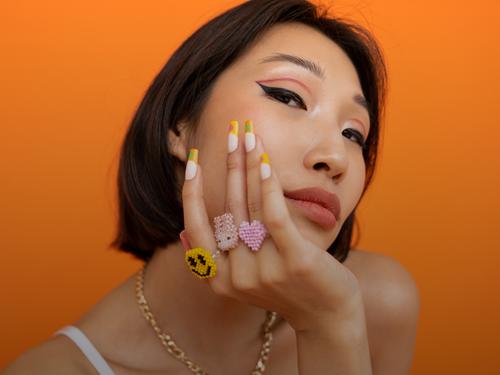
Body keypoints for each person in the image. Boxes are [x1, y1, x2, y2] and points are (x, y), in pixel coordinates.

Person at [3, 0, 420, 374]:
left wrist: (331, 324)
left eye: (354, 134)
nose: (335, 156)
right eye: (289, 97)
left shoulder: (375, 304)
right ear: (180, 125)